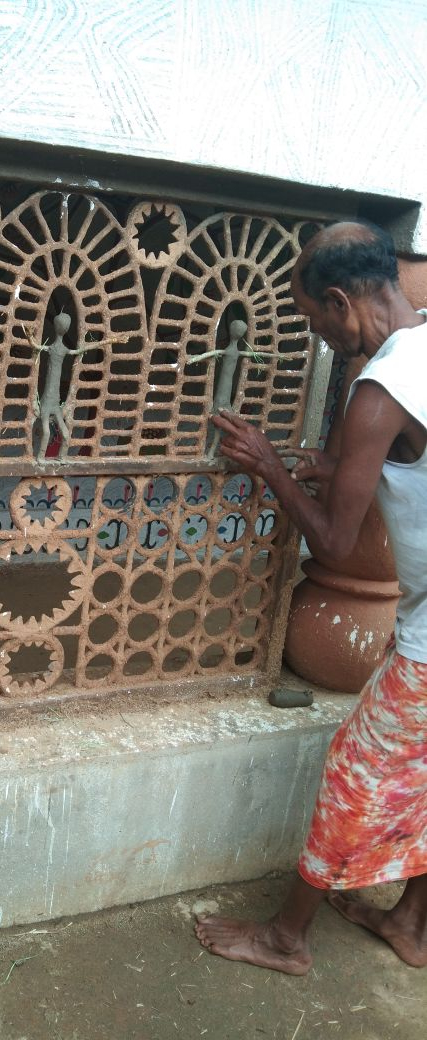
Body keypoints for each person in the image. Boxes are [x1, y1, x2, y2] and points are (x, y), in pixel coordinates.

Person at [194, 220, 427, 974]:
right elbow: (404, 464)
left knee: (356, 765)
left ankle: (285, 938)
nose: (321, 339)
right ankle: (414, 927)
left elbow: (330, 543)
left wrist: (268, 465)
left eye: (314, 323)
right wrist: (330, 465)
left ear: (339, 301)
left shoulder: (380, 388)